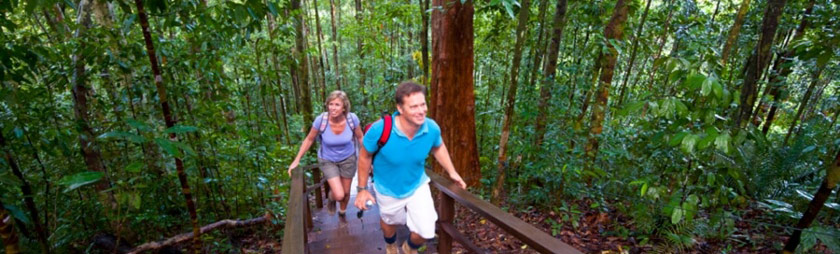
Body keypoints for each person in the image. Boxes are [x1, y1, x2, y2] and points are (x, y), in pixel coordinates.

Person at [354, 81, 467, 254]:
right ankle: (391, 245)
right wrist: (362, 189)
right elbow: (364, 155)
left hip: (417, 184)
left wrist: (452, 172)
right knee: (389, 222)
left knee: (426, 230)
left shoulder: (431, 128)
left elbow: (438, 146)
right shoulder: (380, 130)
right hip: (387, 187)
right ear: (400, 108)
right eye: (414, 106)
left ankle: (408, 248)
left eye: (423, 104)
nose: (421, 111)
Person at [289, 90, 363, 216]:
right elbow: (309, 139)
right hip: (328, 159)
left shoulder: (352, 119)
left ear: (344, 107)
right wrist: (296, 160)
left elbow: (361, 137)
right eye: (331, 104)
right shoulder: (321, 120)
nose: (333, 108)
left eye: (337, 105)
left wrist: (367, 157)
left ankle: (342, 213)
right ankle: (332, 197)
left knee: (346, 192)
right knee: (339, 194)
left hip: (348, 158)